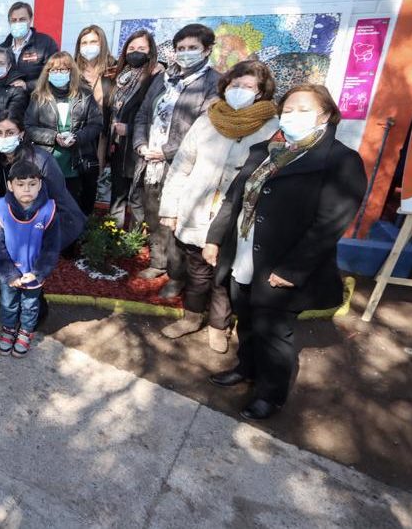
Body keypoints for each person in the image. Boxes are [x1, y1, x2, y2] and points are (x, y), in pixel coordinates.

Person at [204, 84, 366, 420]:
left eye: (304, 109)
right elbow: (235, 199)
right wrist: (214, 239)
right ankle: (246, 368)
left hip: (282, 265)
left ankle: (270, 393)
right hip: (244, 255)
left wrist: (292, 271)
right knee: (246, 319)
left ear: (325, 114)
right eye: (288, 109)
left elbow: (329, 226)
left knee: (274, 333)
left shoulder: (340, 161)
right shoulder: (264, 150)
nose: (292, 116)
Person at [157, 60, 280, 350]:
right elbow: (181, 166)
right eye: (235, 85)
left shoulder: (271, 128)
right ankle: (191, 317)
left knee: (225, 277)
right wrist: (170, 209)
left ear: (261, 92)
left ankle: (218, 325)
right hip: (196, 211)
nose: (240, 91)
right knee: (198, 273)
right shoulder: (208, 120)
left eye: (249, 87)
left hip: (237, 217)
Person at [133, 23, 221, 298]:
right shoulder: (163, 78)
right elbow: (143, 114)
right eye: (180, 48)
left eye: (192, 48)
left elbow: (205, 127)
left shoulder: (213, 82)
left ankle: (176, 276)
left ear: (207, 50)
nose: (185, 53)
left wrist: (168, 151)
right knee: (153, 214)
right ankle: (158, 263)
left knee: (174, 221)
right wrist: (140, 144)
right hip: (150, 161)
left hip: (181, 166)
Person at [0, 160, 60, 358]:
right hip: (9, 274)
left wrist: (38, 272)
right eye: (20, 184)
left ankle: (26, 331)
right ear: (10, 186)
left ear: (40, 184)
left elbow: (51, 247)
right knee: (8, 302)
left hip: (33, 273)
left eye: (32, 184)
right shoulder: (0, 208)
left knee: (30, 305)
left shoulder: (49, 210)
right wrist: (9, 273)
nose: (26, 189)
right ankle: (9, 329)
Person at [0, 111, 86, 250]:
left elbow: (58, 199)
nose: (3, 137)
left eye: (10, 133)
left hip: (47, 221)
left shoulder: (40, 160)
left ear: (21, 134)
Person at [26, 51, 103, 215]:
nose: (58, 74)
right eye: (53, 70)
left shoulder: (85, 95)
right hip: (47, 162)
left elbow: (96, 124)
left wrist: (78, 137)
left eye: (63, 70)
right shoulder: (39, 96)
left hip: (77, 162)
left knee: (73, 209)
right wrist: (53, 137)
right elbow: (29, 127)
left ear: (71, 71)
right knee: (47, 210)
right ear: (47, 73)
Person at [108, 30, 163, 229]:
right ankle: (113, 235)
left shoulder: (157, 78)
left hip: (140, 147)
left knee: (137, 198)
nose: (135, 52)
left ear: (150, 52)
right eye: (131, 48)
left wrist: (130, 129)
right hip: (118, 147)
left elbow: (159, 118)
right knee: (118, 195)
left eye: (141, 48)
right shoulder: (121, 78)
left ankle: (134, 242)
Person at [74, 24, 118, 169]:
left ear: (102, 44)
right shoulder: (72, 71)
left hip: (104, 136)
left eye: (93, 42)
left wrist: (161, 64)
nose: (88, 46)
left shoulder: (115, 69)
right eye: (84, 43)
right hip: (80, 136)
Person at [0, 1, 58, 91]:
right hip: (11, 101)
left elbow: (55, 74)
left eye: (22, 19)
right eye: (14, 20)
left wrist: (28, 85)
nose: (17, 23)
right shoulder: (2, 48)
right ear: (9, 22)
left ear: (30, 20)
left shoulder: (46, 43)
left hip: (36, 100)